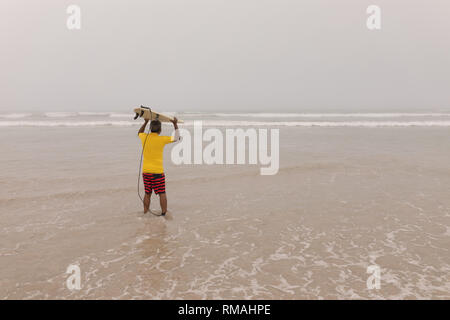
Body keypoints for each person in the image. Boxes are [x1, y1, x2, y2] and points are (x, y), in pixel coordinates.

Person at [138, 117, 180, 215]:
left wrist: (145, 122)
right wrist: (175, 124)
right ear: (160, 130)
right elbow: (177, 137)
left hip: (146, 171)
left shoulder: (144, 137)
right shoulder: (162, 139)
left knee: (147, 193)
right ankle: (164, 214)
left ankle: (145, 212)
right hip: (157, 172)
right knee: (162, 193)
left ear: (150, 128)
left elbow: (139, 132)